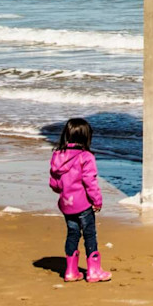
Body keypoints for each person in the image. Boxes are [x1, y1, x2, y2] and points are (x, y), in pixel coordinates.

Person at [49, 117, 110, 282]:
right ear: (86, 137)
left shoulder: (57, 155)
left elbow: (54, 183)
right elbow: (90, 182)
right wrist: (97, 201)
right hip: (83, 204)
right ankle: (93, 271)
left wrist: (64, 191)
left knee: (72, 234)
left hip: (66, 204)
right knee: (90, 235)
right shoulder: (86, 156)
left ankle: (70, 271)